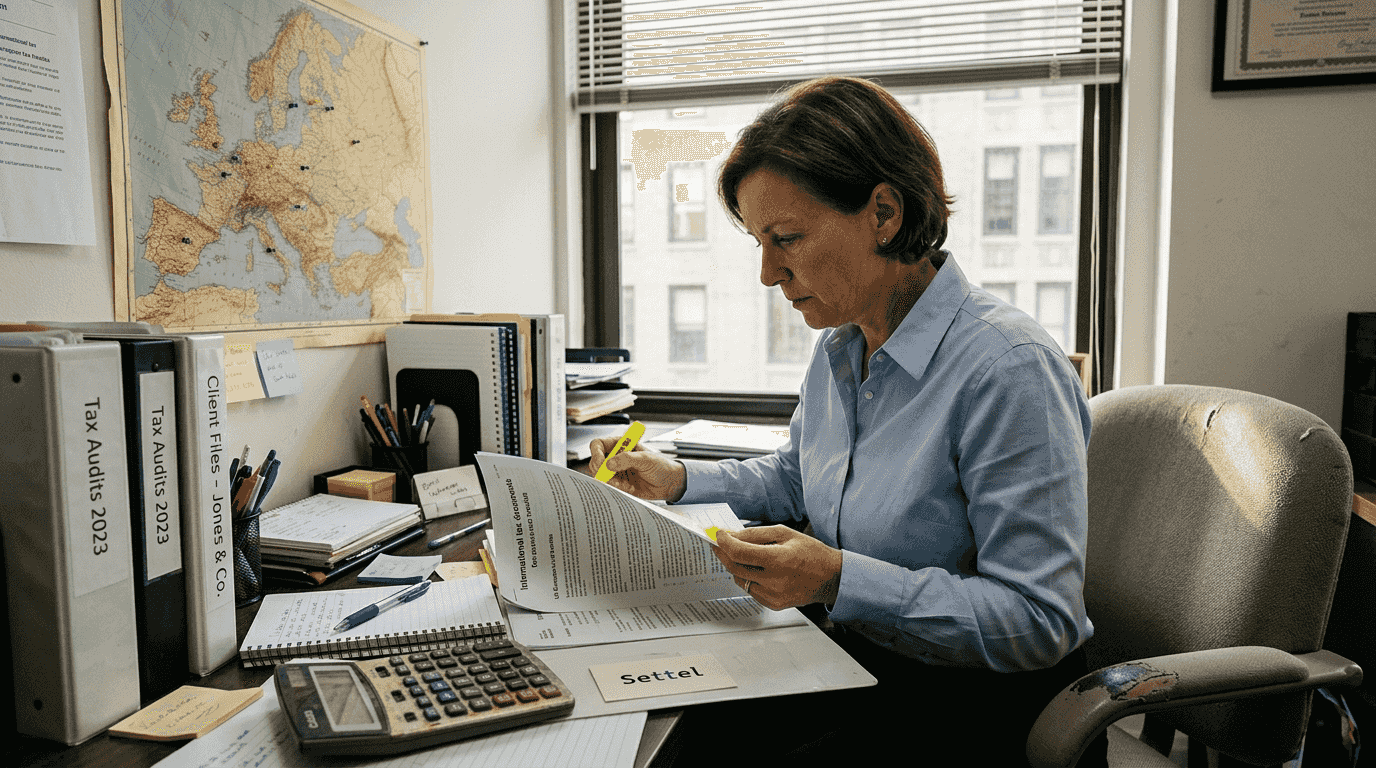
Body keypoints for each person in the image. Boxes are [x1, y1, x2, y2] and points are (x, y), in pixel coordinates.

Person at [590, 76, 1104, 767]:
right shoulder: (842, 345)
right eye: (759, 245)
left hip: (968, 702)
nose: (769, 274)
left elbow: (1041, 622)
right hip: (850, 655)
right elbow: (799, 478)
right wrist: (676, 478)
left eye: (787, 239)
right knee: (662, 733)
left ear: (884, 213)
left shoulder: (1008, 370)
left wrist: (837, 579)